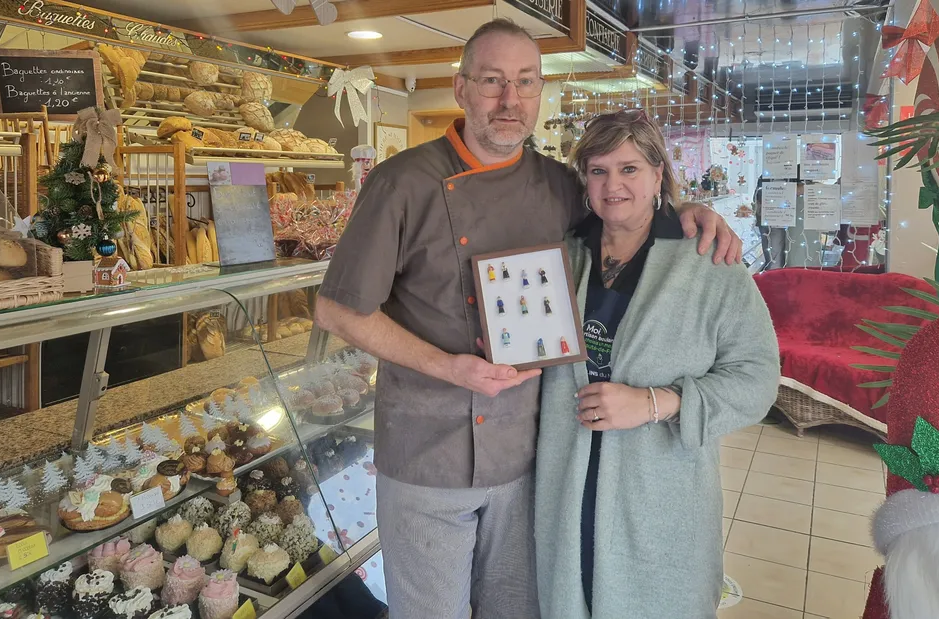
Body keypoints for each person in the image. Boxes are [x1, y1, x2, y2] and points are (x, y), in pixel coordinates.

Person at [314, 19, 742, 619]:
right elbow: (336, 309)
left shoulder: (559, 185)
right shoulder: (401, 182)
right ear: (461, 89)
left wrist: (687, 211)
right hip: (426, 456)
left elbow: (624, 206)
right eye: (492, 81)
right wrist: (448, 367)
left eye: (525, 82)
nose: (509, 101)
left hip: (527, 460)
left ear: (541, 92)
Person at [535, 109, 780, 618]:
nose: (613, 185)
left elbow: (757, 378)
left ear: (658, 175)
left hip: (658, 488)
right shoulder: (566, 253)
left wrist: (653, 403)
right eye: (598, 171)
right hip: (567, 478)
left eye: (629, 169)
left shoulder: (709, 261)